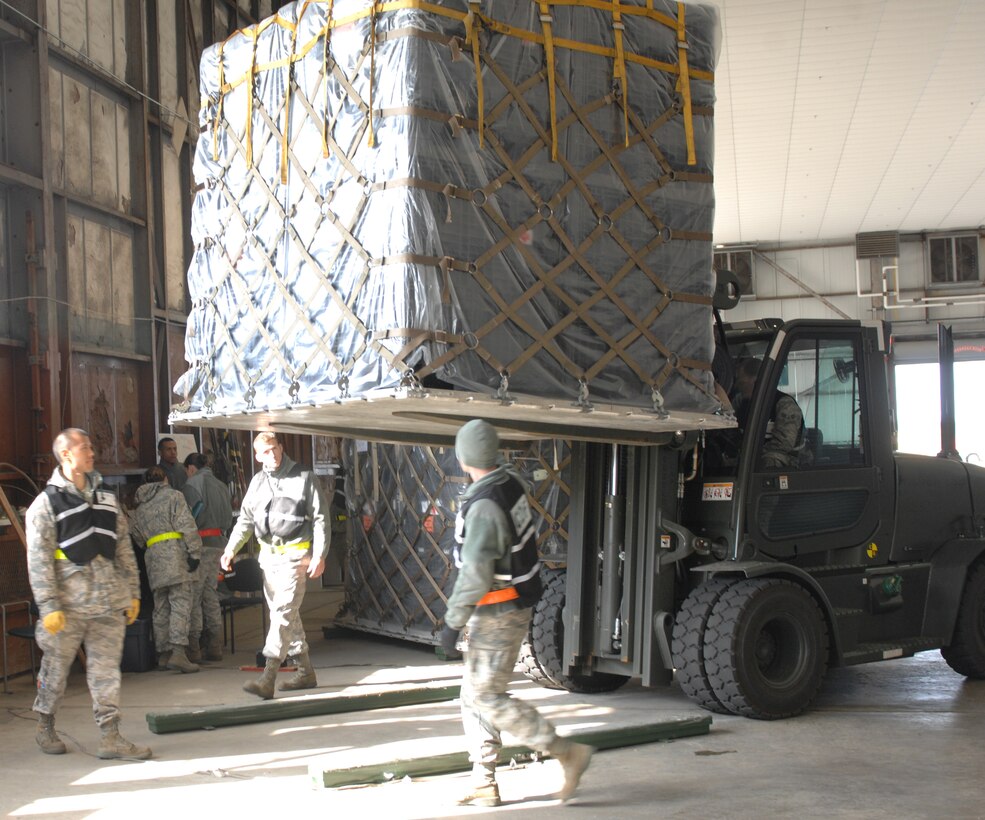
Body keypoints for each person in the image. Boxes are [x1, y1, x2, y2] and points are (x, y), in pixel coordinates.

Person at [439, 419, 593, 807]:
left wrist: (452, 622)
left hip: (497, 611)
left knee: (488, 697)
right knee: (473, 695)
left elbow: (475, 574)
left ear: (464, 457)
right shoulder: (508, 484)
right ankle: (484, 780)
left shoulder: (485, 505)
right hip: (507, 604)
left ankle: (565, 752)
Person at [26, 428, 152, 759]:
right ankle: (45, 725)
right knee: (55, 670)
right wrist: (48, 605)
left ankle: (111, 736)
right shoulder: (46, 504)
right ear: (66, 455)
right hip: (66, 608)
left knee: (107, 673)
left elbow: (124, 546)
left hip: (108, 603)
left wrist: (133, 592)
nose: (92, 452)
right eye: (85, 447)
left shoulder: (107, 497)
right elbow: (38, 560)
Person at [220, 432, 329, 698]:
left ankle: (268, 677)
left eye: (274, 449)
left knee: (281, 614)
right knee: (288, 616)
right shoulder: (257, 482)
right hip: (268, 559)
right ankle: (305, 673)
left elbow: (321, 519)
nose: (272, 455)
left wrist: (320, 555)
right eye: (265, 452)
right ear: (257, 456)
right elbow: (245, 520)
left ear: (281, 447)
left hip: (296, 557)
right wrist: (231, 549)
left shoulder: (304, 477)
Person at [128, 466, 203, 673]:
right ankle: (179, 653)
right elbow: (187, 525)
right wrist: (195, 553)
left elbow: (137, 537)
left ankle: (163, 655)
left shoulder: (140, 506)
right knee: (180, 604)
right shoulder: (174, 496)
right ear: (165, 479)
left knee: (160, 606)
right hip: (176, 556)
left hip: (153, 558)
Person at [182, 452, 233, 661]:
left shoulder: (192, 483)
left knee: (195, 595)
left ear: (191, 468)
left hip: (200, 544)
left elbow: (192, 511)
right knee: (211, 593)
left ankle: (193, 647)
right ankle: (215, 645)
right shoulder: (221, 485)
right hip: (219, 544)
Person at [732, 358, 805, 469]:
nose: (738, 387)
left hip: (788, 461)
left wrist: (750, 453)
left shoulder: (785, 405)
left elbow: (783, 445)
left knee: (771, 459)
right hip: (751, 458)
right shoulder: (740, 402)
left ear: (757, 381)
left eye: (742, 382)